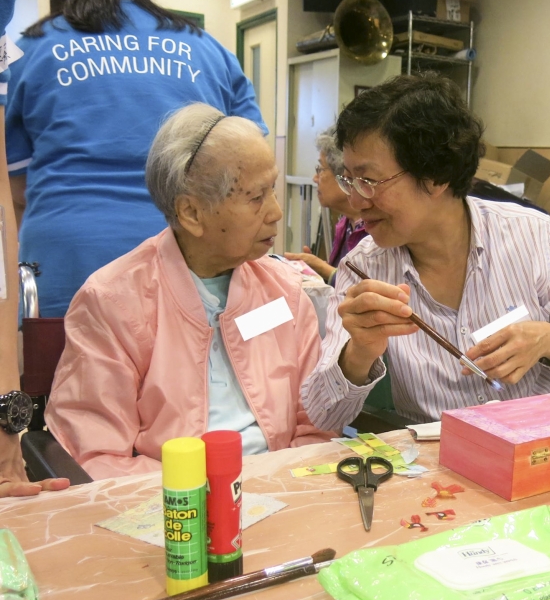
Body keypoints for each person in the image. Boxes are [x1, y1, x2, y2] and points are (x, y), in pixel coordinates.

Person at [301, 74, 550, 427]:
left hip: (539, 446)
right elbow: (323, 417)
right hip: (441, 466)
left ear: (435, 175)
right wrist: (359, 352)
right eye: (350, 179)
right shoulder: (362, 269)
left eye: (369, 181)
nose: (356, 200)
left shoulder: (533, 236)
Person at [47, 103, 336, 480]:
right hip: (171, 508)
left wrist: (282, 490)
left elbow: (314, 425)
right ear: (192, 214)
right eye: (255, 197)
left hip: (280, 490)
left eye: (273, 191)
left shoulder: (285, 291)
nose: (276, 213)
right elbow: (96, 454)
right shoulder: (113, 302)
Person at [5, 0, 266, 318]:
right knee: (188, 366)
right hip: (188, 258)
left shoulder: (32, 50)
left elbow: (15, 187)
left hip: (69, 264)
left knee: (65, 369)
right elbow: (252, 166)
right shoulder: (208, 49)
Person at [0, 0, 68, 497]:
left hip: (51, 268)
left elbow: (11, 201)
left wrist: (8, 429)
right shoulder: (204, 50)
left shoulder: (31, 52)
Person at [285, 128, 367, 285]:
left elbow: (365, 288)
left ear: (345, 176)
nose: (315, 179)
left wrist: (323, 268)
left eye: (321, 169)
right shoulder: (345, 224)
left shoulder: (373, 231)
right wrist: (313, 271)